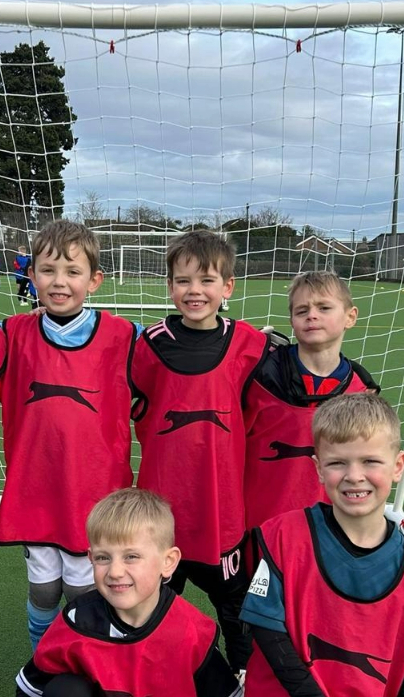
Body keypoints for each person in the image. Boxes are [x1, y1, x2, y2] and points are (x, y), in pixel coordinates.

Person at [241, 393, 404, 696]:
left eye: (370, 461)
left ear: (398, 466)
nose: (354, 476)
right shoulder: (283, 537)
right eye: (338, 463)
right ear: (318, 468)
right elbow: (267, 628)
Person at [0, 221, 138, 649]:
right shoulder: (12, 333)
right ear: (32, 274)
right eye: (48, 270)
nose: (59, 282)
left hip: (91, 490)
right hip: (36, 488)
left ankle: (83, 659)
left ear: (94, 280)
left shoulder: (123, 336)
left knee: (84, 592)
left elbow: (182, 362)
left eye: (72, 272)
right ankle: (42, 661)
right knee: (43, 592)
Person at [130, 229, 269, 674]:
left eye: (207, 280)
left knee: (234, 603)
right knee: (152, 602)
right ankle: (150, 670)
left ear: (227, 287)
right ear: (170, 286)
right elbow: (133, 403)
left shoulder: (250, 345)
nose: (195, 291)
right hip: (162, 505)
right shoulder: (149, 344)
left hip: (221, 507)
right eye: (184, 281)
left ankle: (242, 673)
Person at [16, 488, 242, 697]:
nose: (114, 572)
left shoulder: (193, 633)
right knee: (66, 690)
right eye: (103, 557)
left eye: (131, 557)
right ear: (90, 559)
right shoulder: (77, 620)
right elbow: (29, 688)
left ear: (168, 562)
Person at [243, 271, 379, 533]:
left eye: (324, 307)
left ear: (350, 316)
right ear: (292, 320)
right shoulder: (260, 375)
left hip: (329, 530)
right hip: (259, 527)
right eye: (302, 309)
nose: (312, 315)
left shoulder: (362, 389)